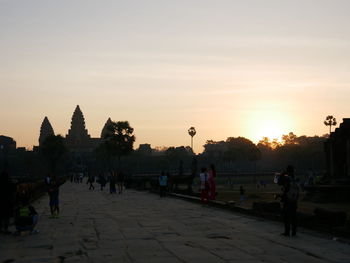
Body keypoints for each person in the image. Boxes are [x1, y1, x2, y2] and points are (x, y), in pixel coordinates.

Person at [278, 165, 299, 237]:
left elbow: (279, 182)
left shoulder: (286, 178)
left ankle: (287, 232)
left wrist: (282, 174)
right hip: (294, 199)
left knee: (286, 216)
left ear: (287, 170)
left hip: (287, 199)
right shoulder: (295, 178)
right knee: (294, 216)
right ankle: (294, 232)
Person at [0, 170, 15, 234]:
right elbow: (14, 190)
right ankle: (6, 228)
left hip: (1, 201)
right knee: (7, 216)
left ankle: (1, 228)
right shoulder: (9, 183)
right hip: (7, 201)